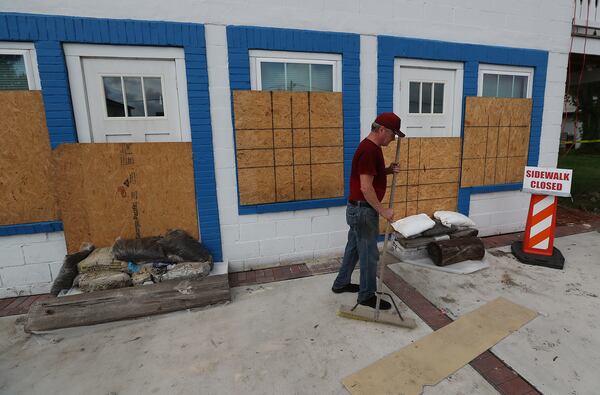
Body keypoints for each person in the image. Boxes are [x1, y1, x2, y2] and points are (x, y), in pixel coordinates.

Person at [331, 112, 405, 310]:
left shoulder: (372, 148)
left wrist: (388, 170)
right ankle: (366, 296)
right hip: (363, 211)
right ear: (382, 129)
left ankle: (341, 284)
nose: (393, 139)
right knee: (369, 254)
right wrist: (383, 211)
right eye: (393, 135)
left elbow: (370, 175)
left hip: (358, 209)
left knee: (353, 248)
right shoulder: (369, 150)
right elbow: (366, 187)